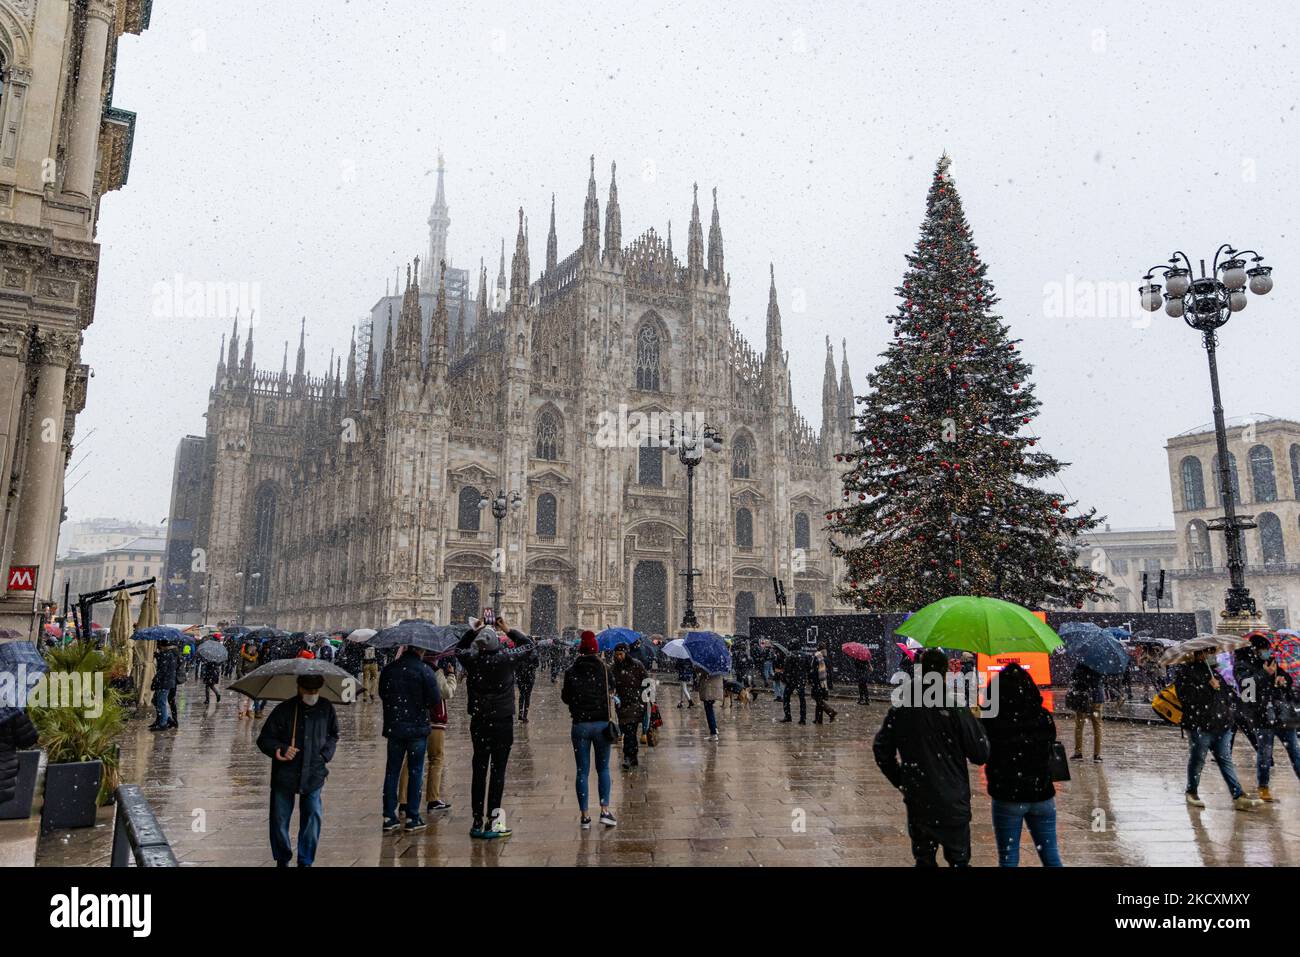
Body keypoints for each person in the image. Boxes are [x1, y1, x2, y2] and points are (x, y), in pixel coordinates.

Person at [873, 649, 990, 867]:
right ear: (945, 673)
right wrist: (979, 728)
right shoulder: (955, 707)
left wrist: (902, 779)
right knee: (959, 861)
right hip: (953, 800)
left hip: (919, 798)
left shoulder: (903, 707)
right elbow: (980, 754)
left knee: (924, 860)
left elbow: (881, 749)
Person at [455, 624, 537, 839]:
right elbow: (528, 645)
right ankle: (494, 822)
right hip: (502, 722)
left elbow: (458, 649)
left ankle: (476, 821)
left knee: (479, 770)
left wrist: (473, 631)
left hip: (480, 722)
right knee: (498, 771)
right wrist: (508, 629)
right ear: (496, 644)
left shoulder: (473, 661)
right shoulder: (506, 659)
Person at [981, 664, 1062, 867]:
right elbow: (1051, 742)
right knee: (1052, 858)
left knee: (1008, 860)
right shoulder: (1043, 717)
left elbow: (982, 753)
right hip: (1042, 793)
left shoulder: (992, 719)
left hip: (1008, 795)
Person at [255, 675, 339, 867]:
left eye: (315, 691)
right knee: (279, 819)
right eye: (309, 691)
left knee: (312, 817)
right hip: (285, 774)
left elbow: (333, 735)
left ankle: (305, 860)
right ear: (300, 689)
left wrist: (325, 755)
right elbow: (264, 739)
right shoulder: (285, 710)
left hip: (314, 773)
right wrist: (281, 749)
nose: (312, 695)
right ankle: (282, 857)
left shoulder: (325, 708)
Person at [1175, 649, 1258, 810]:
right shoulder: (1185, 673)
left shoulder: (1215, 673)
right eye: (1209, 652)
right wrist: (1208, 687)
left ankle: (1238, 794)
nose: (1212, 655)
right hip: (1200, 725)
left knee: (1225, 759)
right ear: (1198, 655)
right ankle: (1191, 791)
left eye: (1213, 652)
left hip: (1222, 724)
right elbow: (1187, 698)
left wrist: (1230, 713)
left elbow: (1226, 697)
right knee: (1198, 759)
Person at [378, 645, 441, 833]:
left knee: (392, 772)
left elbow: (383, 694)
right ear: (421, 650)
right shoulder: (425, 670)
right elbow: (434, 700)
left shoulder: (389, 669)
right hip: (417, 729)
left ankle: (389, 816)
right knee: (415, 771)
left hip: (395, 728)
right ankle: (413, 816)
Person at [561, 631, 618, 828]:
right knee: (603, 769)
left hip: (580, 725)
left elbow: (565, 698)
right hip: (602, 725)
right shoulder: (604, 669)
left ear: (580, 649)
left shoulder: (571, 671)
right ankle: (604, 810)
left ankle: (585, 816)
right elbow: (612, 690)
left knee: (582, 771)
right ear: (596, 649)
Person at [398, 653, 458, 814]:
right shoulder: (433, 670)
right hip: (434, 720)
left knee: (409, 760)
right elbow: (446, 693)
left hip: (414, 719)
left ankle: (403, 800)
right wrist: (451, 676)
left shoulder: (410, 669)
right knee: (436, 759)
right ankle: (433, 798)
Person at [611, 643, 648, 769]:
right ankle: (633, 756)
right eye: (617, 655)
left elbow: (647, 682)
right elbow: (611, 685)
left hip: (635, 702)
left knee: (630, 730)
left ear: (626, 653)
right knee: (627, 730)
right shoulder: (614, 668)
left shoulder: (637, 665)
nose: (619, 657)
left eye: (621, 654)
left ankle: (628, 756)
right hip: (621, 703)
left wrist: (647, 699)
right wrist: (612, 693)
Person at [1067, 662, 1105, 762]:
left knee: (1079, 725)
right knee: (1097, 726)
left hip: (1083, 697)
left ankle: (1078, 753)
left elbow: (1074, 677)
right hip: (1097, 696)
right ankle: (1097, 755)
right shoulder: (1101, 663)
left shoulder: (1082, 662)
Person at [149, 641, 179, 731]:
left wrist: (155, 680)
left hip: (164, 682)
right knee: (156, 701)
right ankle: (164, 720)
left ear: (162, 646)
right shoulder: (170, 653)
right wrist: (159, 657)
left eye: (158, 646)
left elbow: (163, 670)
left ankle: (163, 723)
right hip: (168, 681)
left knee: (161, 702)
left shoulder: (167, 655)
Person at [781, 647, 810, 724]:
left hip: (791, 680)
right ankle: (803, 718)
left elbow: (786, 669)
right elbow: (808, 668)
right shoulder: (804, 655)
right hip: (800, 680)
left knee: (786, 697)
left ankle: (788, 716)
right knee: (802, 699)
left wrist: (784, 679)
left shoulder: (789, 655)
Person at [811, 645, 837, 724]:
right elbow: (829, 673)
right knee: (819, 701)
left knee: (818, 701)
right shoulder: (826, 658)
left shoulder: (818, 658)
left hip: (819, 683)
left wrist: (812, 681)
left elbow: (815, 673)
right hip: (824, 683)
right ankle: (818, 719)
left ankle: (831, 712)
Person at [515, 633, 538, 724]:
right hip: (530, 676)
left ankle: (520, 713)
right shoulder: (534, 653)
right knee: (527, 696)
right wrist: (530, 666)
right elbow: (537, 664)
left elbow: (515, 665)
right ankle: (525, 715)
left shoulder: (519, 652)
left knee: (522, 695)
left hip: (521, 676)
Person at [695, 665, 722, 740]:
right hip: (714, 688)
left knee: (709, 710)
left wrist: (697, 668)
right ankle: (714, 729)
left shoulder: (707, 662)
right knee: (710, 709)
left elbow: (702, 671)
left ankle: (713, 732)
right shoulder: (719, 663)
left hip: (709, 688)